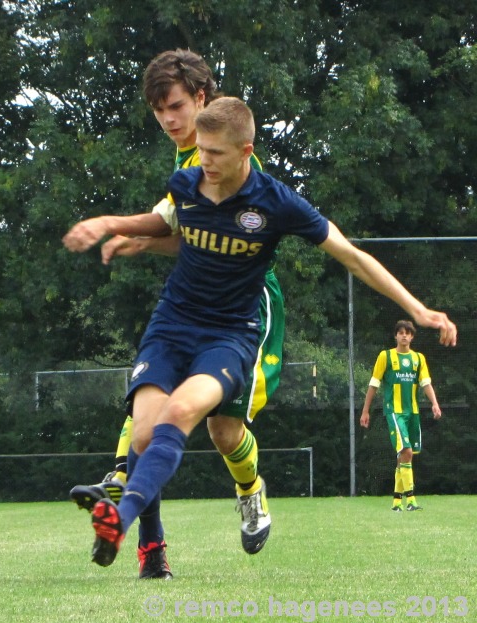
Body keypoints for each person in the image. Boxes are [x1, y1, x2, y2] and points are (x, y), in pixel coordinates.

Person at [63, 96, 457, 570]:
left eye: (215, 153)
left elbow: (353, 257)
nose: (203, 160)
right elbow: (167, 221)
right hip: (172, 324)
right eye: (201, 149)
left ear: (246, 150)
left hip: (229, 335)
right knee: (144, 436)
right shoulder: (187, 182)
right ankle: (146, 544)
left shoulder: (277, 201)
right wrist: (109, 223)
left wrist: (419, 309)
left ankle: (118, 521)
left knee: (187, 414)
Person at [65, 49, 285, 576]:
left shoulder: (218, 152)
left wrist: (117, 227)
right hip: (191, 307)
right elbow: (184, 236)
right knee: (153, 412)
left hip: (247, 307)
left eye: (176, 106)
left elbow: (216, 234)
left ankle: (250, 489)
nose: (168, 118)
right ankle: (144, 534)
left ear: (202, 98)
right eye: (159, 109)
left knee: (225, 434)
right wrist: (144, 243)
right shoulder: (185, 164)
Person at [359, 320, 441, 511]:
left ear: (412, 337)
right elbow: (374, 384)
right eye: (401, 332)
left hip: (412, 412)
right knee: (406, 451)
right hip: (394, 412)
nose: (404, 336)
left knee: (404, 457)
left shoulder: (418, 359)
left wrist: (435, 403)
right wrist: (365, 410)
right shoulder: (385, 356)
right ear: (395, 336)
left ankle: (396, 501)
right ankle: (411, 500)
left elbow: (426, 383)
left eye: (408, 333)